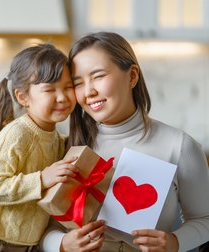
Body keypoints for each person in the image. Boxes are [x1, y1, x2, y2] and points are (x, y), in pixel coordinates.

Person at [41, 32, 209, 252]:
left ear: (132, 76)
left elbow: (205, 219)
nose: (89, 91)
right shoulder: (68, 147)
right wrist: (62, 244)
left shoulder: (179, 145)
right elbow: (43, 228)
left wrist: (175, 242)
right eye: (78, 83)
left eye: (98, 76)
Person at [0, 43, 99, 251]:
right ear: (23, 97)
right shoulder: (16, 135)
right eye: (49, 89)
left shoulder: (56, 139)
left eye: (67, 87)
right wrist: (41, 179)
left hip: (28, 246)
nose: (62, 97)